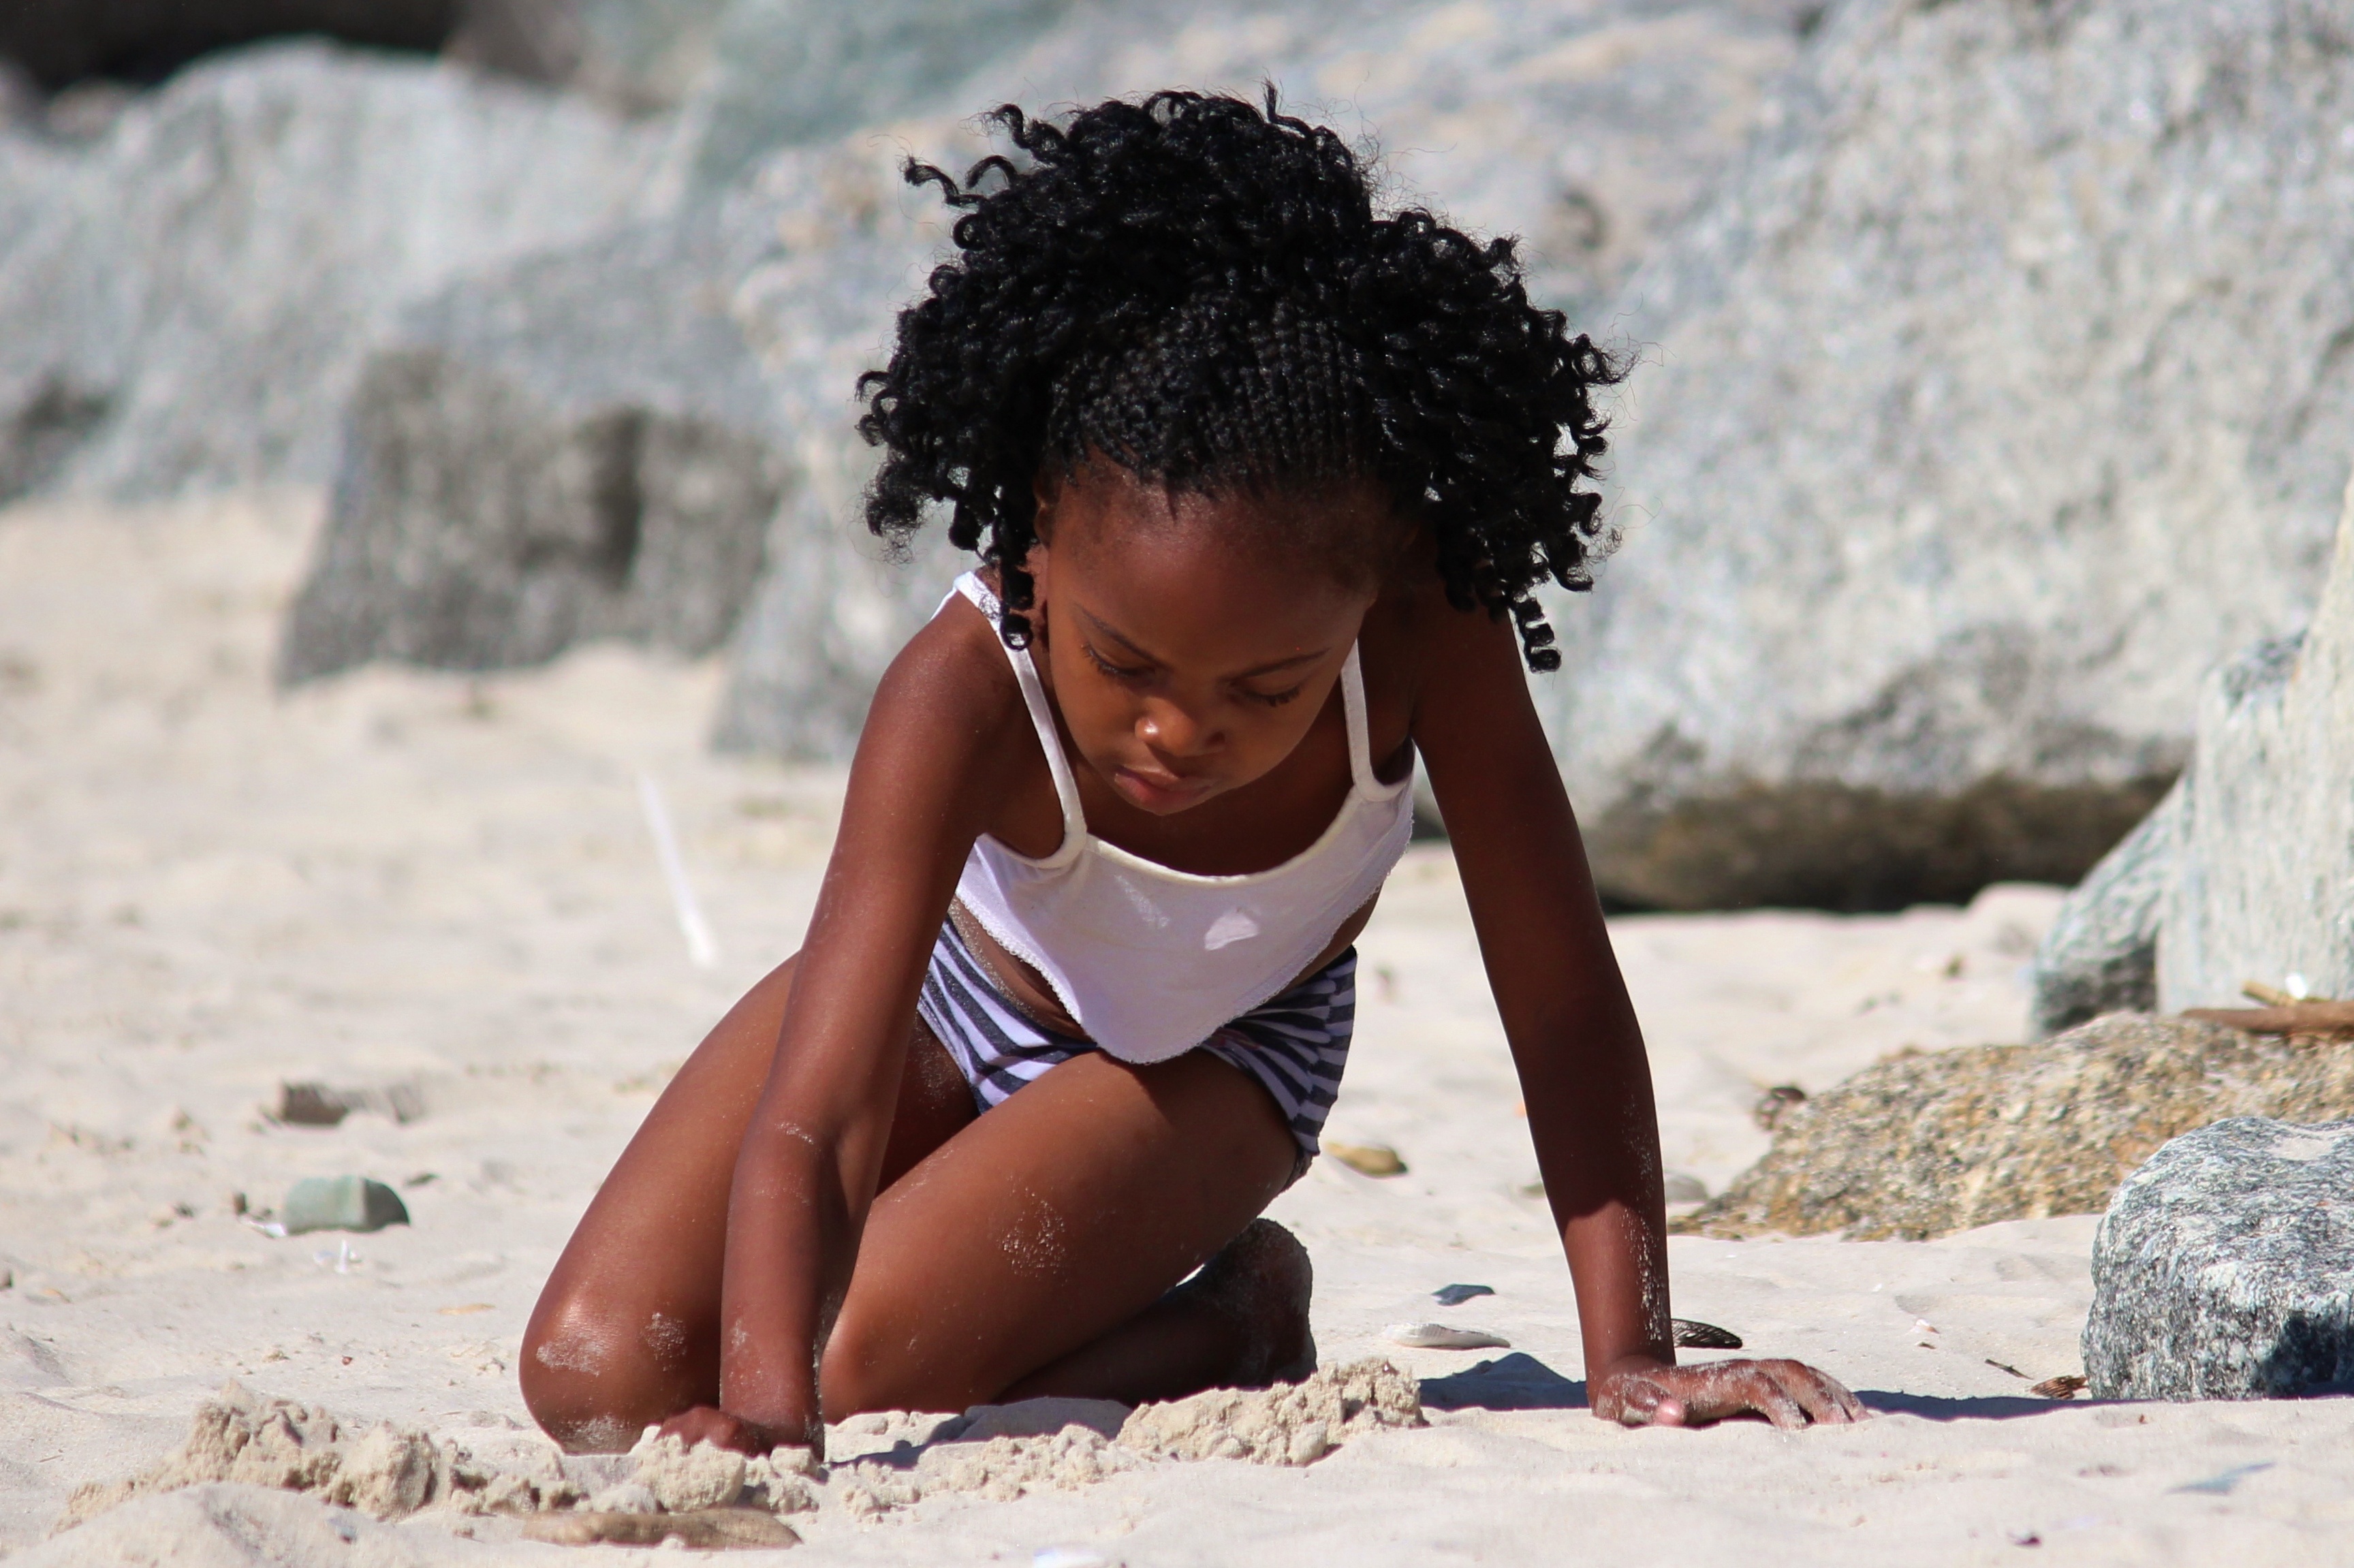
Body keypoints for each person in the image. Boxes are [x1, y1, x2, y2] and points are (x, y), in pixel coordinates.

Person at [519, 89, 1864, 1456]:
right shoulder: (961, 693)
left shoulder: (1424, 636)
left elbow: (1563, 1002)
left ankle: (1238, 1316)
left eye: (1264, 687)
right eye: (1127, 661)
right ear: (1034, 532)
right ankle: (1156, 1314)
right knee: (592, 1374)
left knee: (863, 1352)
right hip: (948, 1000)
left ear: (1362, 599)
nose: (1177, 728)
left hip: (1222, 1055)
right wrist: (763, 1419)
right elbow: (824, 1109)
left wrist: (1629, 1351)